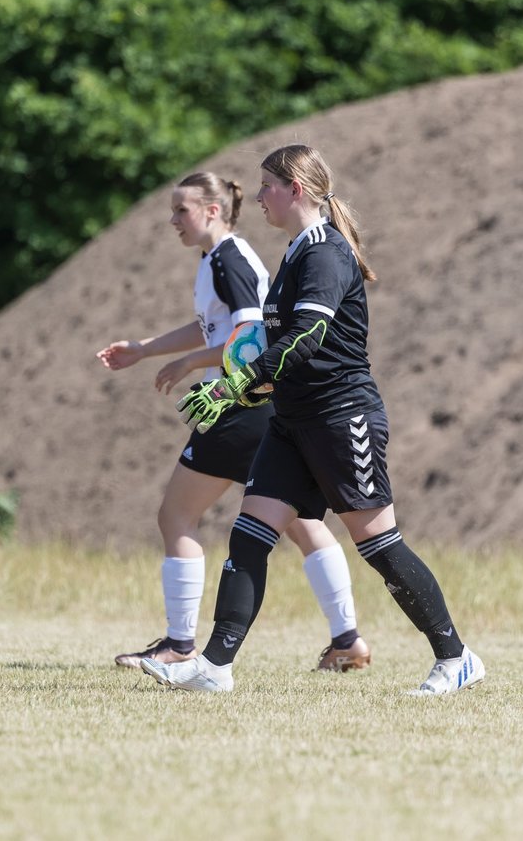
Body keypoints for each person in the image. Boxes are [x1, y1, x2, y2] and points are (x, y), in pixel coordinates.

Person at [139, 145, 484, 696]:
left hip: (341, 418)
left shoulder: (325, 253)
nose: (256, 198)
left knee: (379, 545)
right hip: (292, 422)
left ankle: (456, 656)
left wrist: (237, 384)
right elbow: (273, 338)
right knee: (249, 536)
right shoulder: (296, 251)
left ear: (294, 189)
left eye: (266, 187)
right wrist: (242, 381)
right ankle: (213, 667)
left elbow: (306, 338)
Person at [96, 171, 372, 673]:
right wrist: (147, 350)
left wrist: (200, 368)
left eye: (182, 210)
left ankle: (179, 645)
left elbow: (247, 334)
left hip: (239, 403)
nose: (173, 220)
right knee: (302, 523)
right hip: (265, 402)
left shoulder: (230, 259)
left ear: (212, 211)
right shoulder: (216, 259)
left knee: (175, 517)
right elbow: (214, 327)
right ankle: (347, 639)